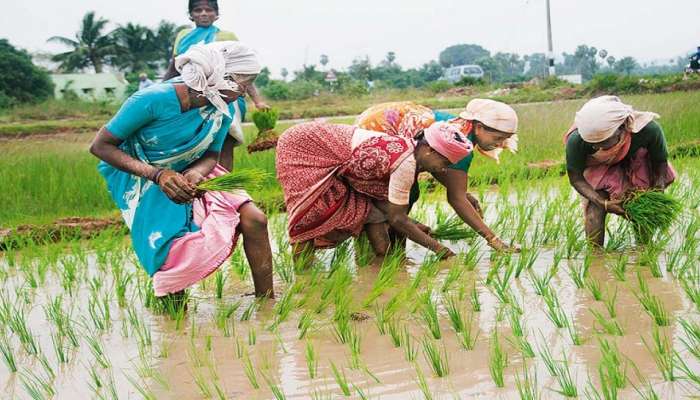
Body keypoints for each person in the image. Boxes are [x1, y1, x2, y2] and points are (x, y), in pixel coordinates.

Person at [89, 42, 274, 303]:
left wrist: (197, 173)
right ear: (223, 78)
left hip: (194, 171)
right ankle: (175, 322)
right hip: (145, 176)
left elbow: (212, 154)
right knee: (170, 252)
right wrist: (158, 175)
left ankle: (267, 303)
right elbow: (100, 146)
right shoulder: (152, 100)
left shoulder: (222, 107)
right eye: (243, 84)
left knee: (255, 219)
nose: (245, 93)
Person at [276, 120, 475, 266]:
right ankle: (303, 276)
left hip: (339, 155)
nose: (443, 169)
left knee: (373, 212)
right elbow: (397, 220)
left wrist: (416, 225)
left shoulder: (410, 151)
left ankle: (383, 263)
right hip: (303, 145)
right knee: (310, 213)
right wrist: (442, 251)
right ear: (430, 151)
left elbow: (384, 207)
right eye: (445, 162)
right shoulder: (405, 163)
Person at [356, 100, 520, 252]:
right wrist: (492, 239)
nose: (500, 145)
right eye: (498, 138)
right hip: (376, 136)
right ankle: (385, 254)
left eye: (505, 140)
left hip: (375, 121)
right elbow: (456, 199)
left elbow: (436, 164)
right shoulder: (459, 143)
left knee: (400, 200)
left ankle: (386, 257)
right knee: (398, 200)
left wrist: (463, 192)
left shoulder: (458, 126)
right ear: (479, 127)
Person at [164, 0, 270, 171]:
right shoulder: (183, 36)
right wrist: (162, 91)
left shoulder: (227, 37)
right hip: (193, 97)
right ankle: (201, 190)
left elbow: (242, 70)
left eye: (209, 10)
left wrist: (257, 101)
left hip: (227, 97)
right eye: (198, 10)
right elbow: (174, 66)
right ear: (191, 15)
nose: (204, 13)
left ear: (216, 14)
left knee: (224, 141)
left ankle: (226, 190)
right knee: (194, 145)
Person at [565, 95, 676, 246]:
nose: (599, 147)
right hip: (600, 168)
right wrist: (602, 202)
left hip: (636, 163)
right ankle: (595, 260)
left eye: (604, 142)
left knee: (643, 207)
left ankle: (644, 251)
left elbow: (659, 163)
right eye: (594, 144)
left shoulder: (648, 130)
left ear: (623, 127)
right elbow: (576, 178)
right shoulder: (578, 139)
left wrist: (655, 193)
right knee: (594, 211)